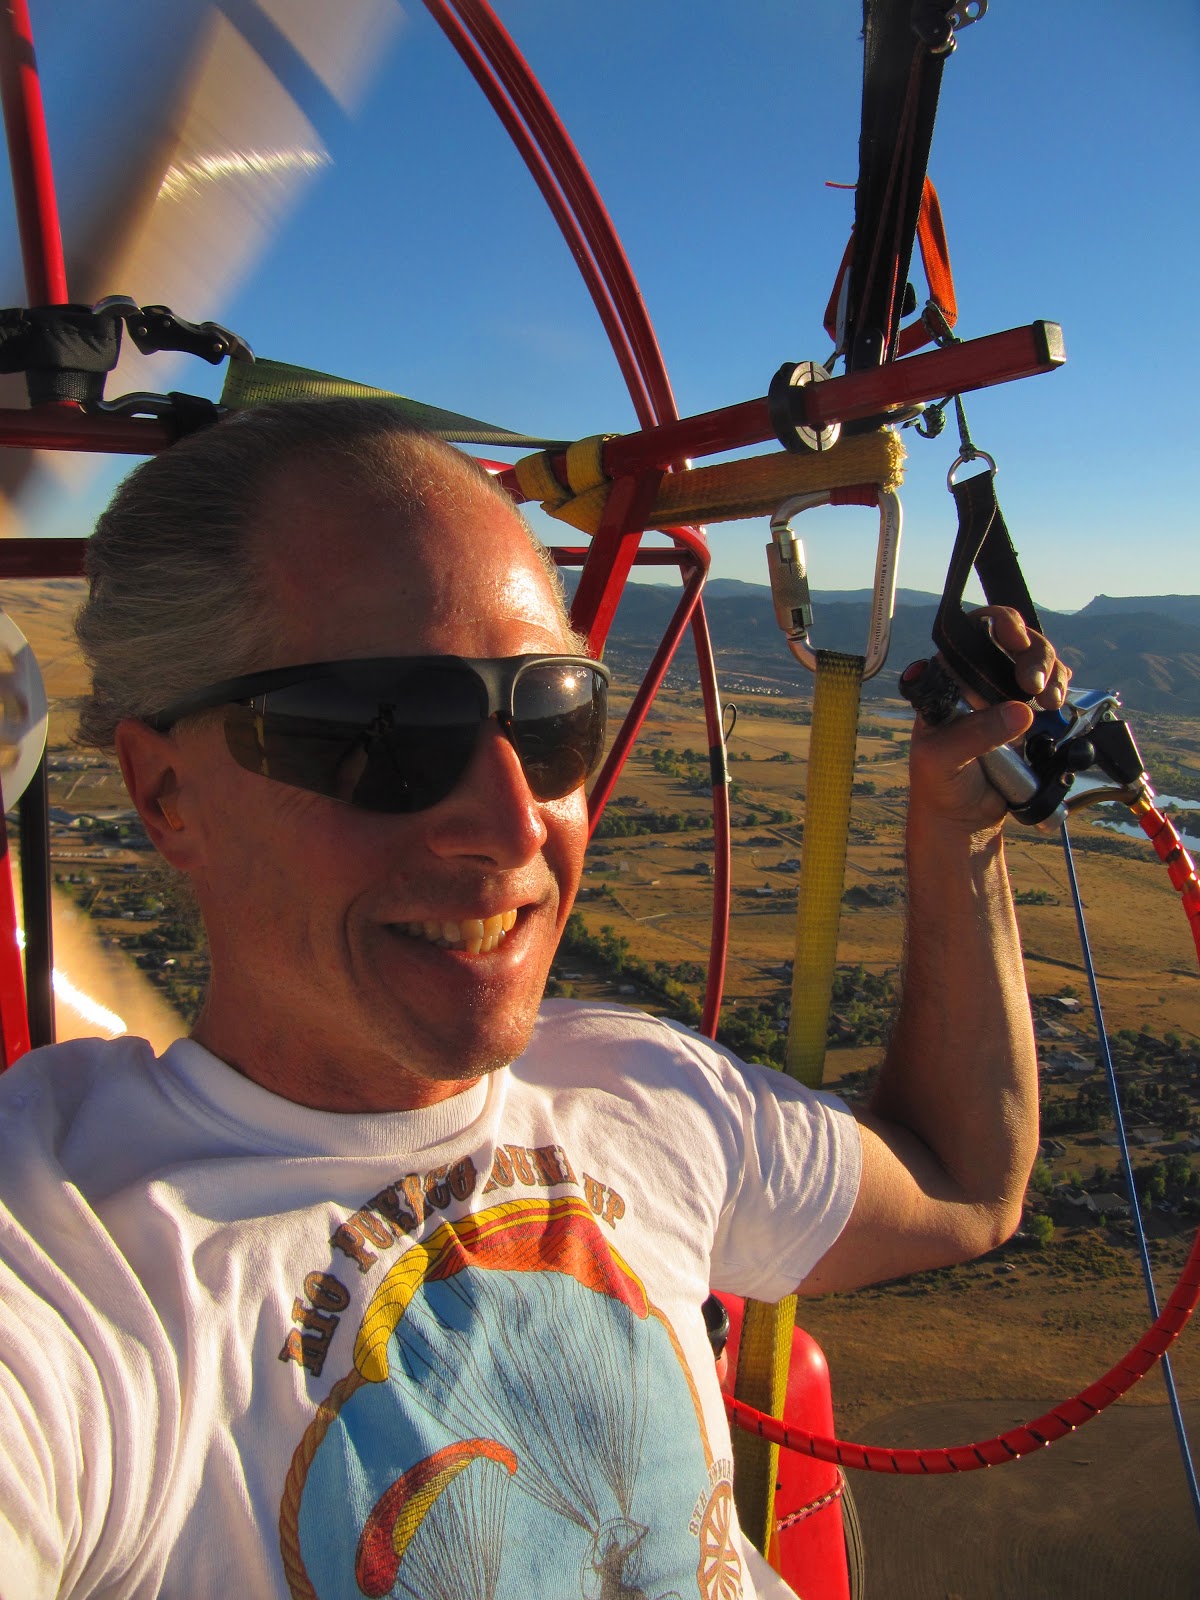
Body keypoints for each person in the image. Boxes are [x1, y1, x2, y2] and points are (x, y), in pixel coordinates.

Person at [0, 400, 1068, 1599]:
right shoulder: (78, 1269)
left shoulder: (647, 1090)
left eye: (552, 717)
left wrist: (958, 828)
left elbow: (964, 1181)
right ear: (166, 793)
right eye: (390, 733)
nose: (518, 825)